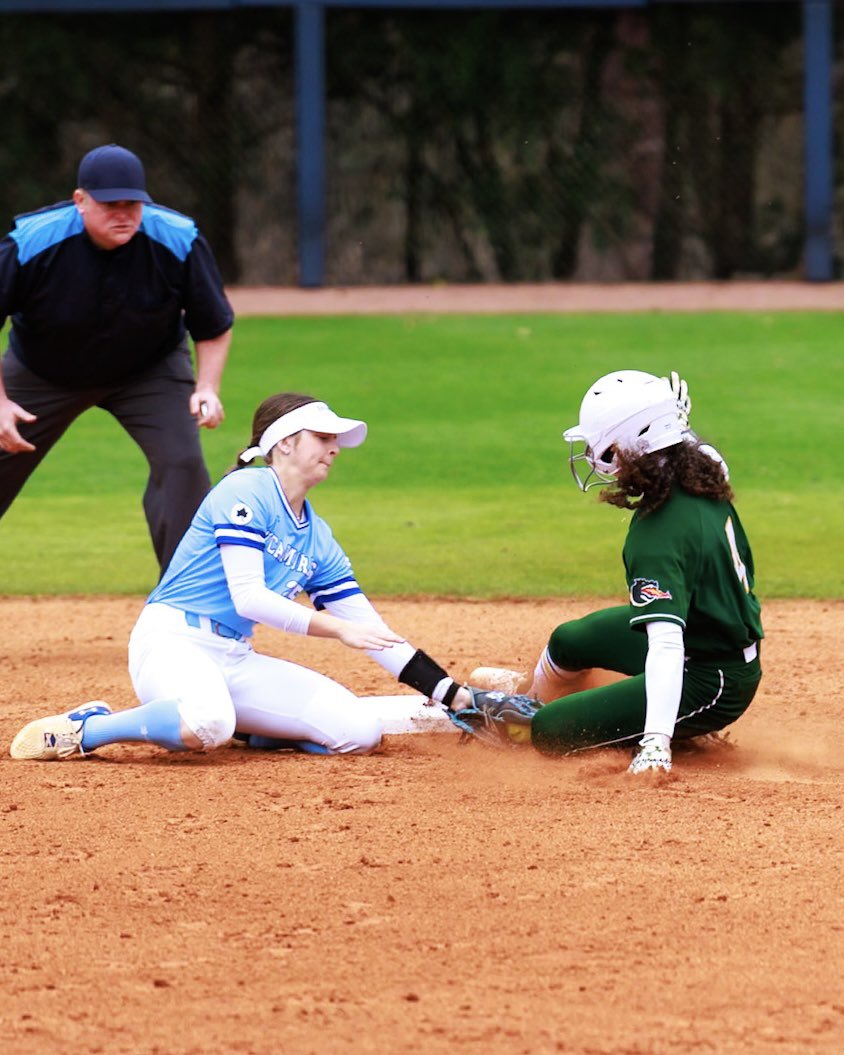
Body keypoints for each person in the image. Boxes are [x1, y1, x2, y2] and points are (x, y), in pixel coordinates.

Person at [9, 392, 521, 762]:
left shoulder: (317, 537)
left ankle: (254, 731)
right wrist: (333, 628)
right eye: (322, 437)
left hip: (232, 657)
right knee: (207, 722)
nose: (334, 448)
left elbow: (373, 633)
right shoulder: (246, 490)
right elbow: (249, 598)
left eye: (335, 440)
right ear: (283, 444)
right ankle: (91, 728)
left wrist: (453, 694)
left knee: (357, 733)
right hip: (171, 643)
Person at [471, 370, 763, 774]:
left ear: (631, 444)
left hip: (713, 678)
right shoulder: (702, 464)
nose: (595, 455)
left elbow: (664, 644)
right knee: (569, 640)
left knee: (549, 732)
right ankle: (532, 696)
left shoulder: (657, 535)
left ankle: (668, 730)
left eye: (601, 445)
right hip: (705, 630)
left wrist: (656, 742)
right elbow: (681, 438)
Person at [0, 143, 234, 573]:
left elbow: (214, 323)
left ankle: (184, 608)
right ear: (80, 200)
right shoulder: (33, 242)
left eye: (132, 203)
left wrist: (207, 387)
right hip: (42, 372)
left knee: (182, 463)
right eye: (110, 204)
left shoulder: (178, 239)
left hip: (148, 372)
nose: (123, 214)